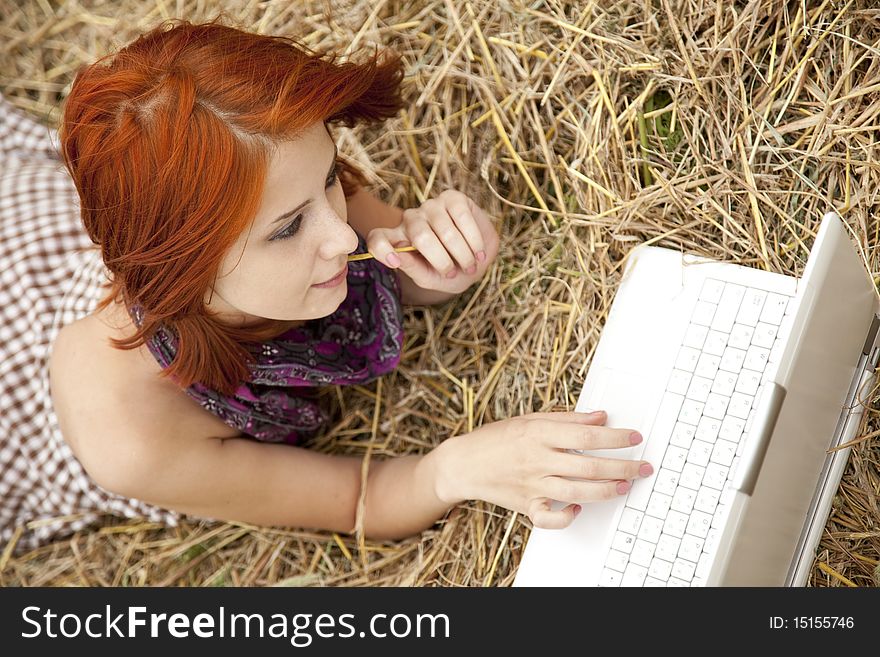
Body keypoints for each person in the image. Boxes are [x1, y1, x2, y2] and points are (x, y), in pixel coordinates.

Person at [0, 18, 652, 556]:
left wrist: (443, 259)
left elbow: (399, 263)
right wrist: (460, 466)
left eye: (331, 177)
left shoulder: (291, 187)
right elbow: (356, 497)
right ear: (188, 272)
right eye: (287, 230)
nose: (342, 235)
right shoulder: (131, 434)